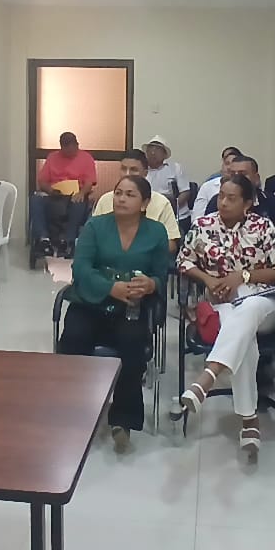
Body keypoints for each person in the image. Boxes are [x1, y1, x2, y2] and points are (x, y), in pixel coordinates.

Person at [174, 174, 275, 457]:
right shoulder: (203, 226)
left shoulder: (262, 226)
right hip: (222, 305)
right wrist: (208, 280)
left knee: (249, 309)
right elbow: (183, 261)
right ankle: (249, 420)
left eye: (231, 198)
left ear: (248, 203)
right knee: (243, 337)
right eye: (221, 196)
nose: (223, 202)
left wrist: (243, 276)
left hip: (265, 303)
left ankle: (208, 377)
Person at [56, 175, 169, 453]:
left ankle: (122, 420)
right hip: (90, 302)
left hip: (131, 307)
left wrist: (151, 284)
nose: (121, 199)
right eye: (118, 193)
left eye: (130, 195)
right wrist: (110, 288)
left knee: (132, 345)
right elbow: (81, 269)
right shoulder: (95, 226)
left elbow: (162, 275)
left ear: (144, 203)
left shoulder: (156, 232)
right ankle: (74, 410)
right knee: (74, 338)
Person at [91, 149, 182, 252]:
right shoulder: (105, 199)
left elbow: (171, 245)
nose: (127, 174)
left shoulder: (161, 203)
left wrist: (141, 249)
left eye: (133, 170)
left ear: (145, 173)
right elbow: (92, 236)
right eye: (123, 169)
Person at [30, 132, 97, 257]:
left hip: (75, 195)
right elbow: (42, 181)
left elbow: (89, 182)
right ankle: (43, 240)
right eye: (66, 150)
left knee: (79, 203)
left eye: (72, 149)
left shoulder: (86, 158)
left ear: (77, 145)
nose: (69, 153)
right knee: (35, 200)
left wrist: (81, 193)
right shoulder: (52, 157)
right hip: (55, 195)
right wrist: (50, 191)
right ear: (61, 147)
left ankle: (68, 241)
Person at [203, 155, 275, 232]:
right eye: (232, 174)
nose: (237, 178)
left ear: (256, 178)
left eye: (242, 174)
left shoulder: (273, 202)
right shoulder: (217, 201)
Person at [191, 146, 242, 222]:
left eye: (233, 164)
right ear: (222, 166)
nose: (229, 167)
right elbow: (196, 218)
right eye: (227, 163)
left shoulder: (245, 187)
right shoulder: (207, 187)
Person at [143, 134, 190, 211]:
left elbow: (185, 192)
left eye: (157, 150)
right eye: (150, 149)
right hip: (150, 211)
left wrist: (171, 208)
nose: (153, 153)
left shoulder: (175, 168)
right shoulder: (142, 170)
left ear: (164, 154)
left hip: (175, 212)